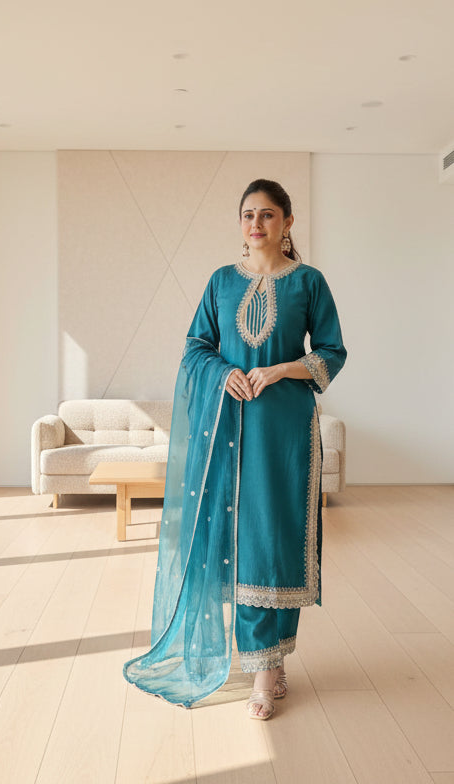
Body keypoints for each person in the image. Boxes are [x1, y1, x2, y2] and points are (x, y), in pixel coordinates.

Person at [123, 178, 347, 720]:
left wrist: (283, 368)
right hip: (230, 429)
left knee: (278, 541)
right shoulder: (222, 281)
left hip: (286, 432)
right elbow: (196, 347)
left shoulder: (309, 282)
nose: (256, 224)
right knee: (244, 543)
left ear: (287, 222)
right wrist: (224, 374)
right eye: (248, 215)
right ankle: (264, 669)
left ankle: (270, 662)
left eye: (267, 214)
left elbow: (332, 352)